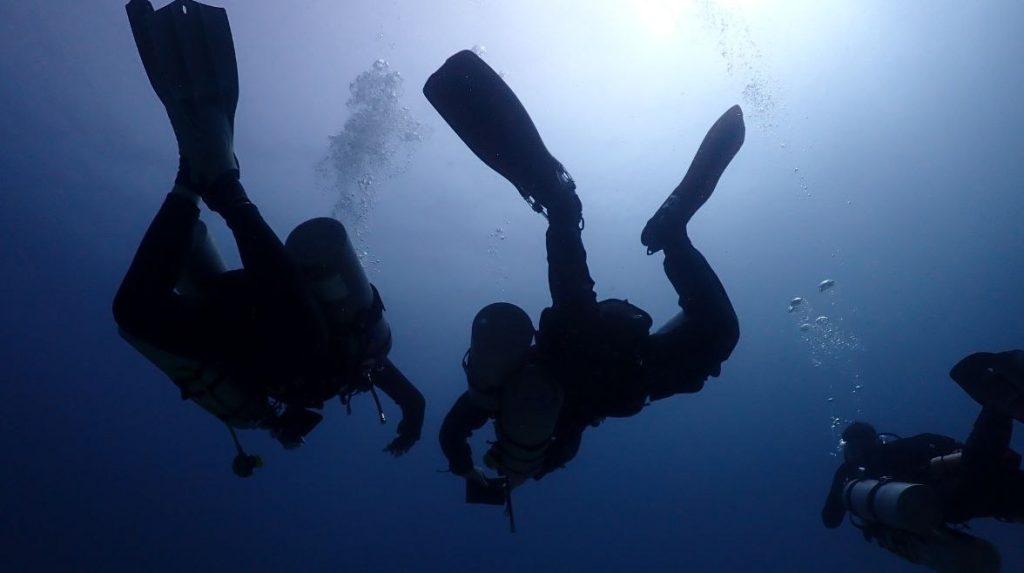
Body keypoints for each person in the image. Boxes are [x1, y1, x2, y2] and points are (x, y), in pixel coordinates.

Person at [114, 0, 423, 476]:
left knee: (133, 312)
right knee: (300, 335)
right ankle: (228, 192)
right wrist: (411, 423)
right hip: (281, 310)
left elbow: (413, 402)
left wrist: (280, 421)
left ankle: (188, 184)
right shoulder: (359, 358)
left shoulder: (283, 400)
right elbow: (411, 397)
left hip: (239, 325)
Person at [425, 51, 744, 494]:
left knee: (719, 335)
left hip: (618, 371)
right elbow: (451, 434)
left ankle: (664, 234)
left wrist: (502, 476)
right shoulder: (489, 399)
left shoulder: (501, 404)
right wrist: (470, 470)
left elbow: (561, 443)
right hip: (588, 348)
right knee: (572, 274)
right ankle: (570, 208)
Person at [822, 350, 1024, 529]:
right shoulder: (904, 445)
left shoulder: (851, 473)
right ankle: (1000, 400)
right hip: (955, 495)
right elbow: (969, 453)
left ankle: (1000, 401)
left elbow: (830, 520)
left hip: (952, 505)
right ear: (875, 439)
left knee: (1001, 491)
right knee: (991, 478)